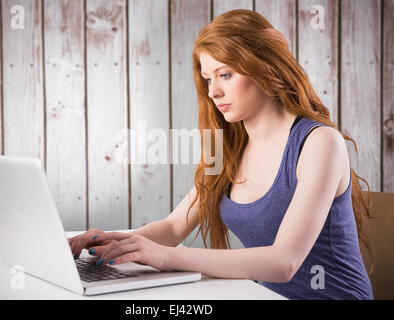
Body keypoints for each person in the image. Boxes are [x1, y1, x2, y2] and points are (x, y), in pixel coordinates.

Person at [68, 9, 374, 300]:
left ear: (266, 67)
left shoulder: (319, 143)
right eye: (207, 79)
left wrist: (170, 257)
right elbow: (174, 227)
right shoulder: (229, 150)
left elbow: (284, 261)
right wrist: (113, 242)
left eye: (224, 74)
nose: (213, 92)